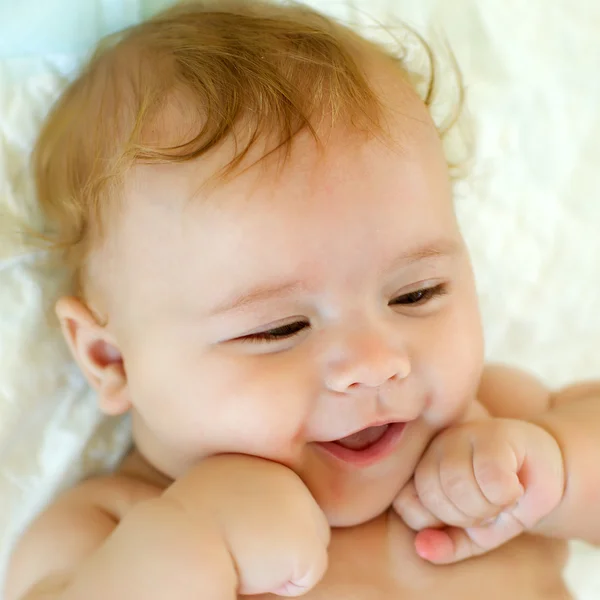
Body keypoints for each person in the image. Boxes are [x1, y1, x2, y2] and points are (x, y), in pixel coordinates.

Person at [5, 1, 600, 598]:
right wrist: (196, 539)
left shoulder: (500, 418)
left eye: (417, 293)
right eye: (279, 329)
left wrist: (559, 471)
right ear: (111, 359)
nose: (375, 362)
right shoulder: (110, 526)